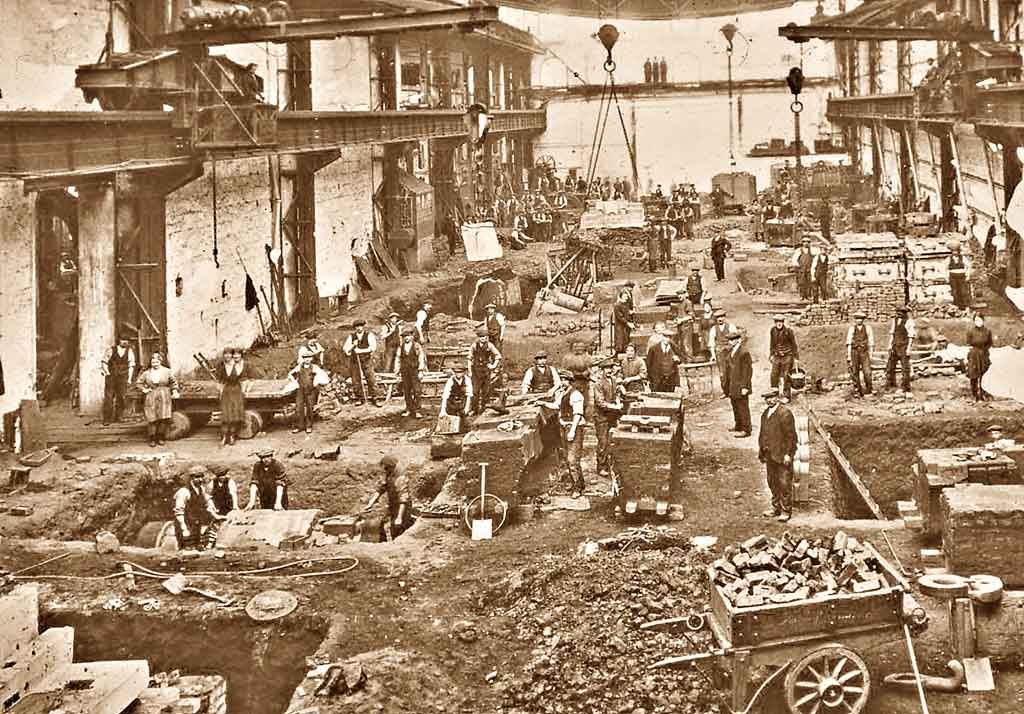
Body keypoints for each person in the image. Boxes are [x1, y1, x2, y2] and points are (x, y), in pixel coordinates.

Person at [758, 388, 797, 522]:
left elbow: (791, 437)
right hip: (770, 454)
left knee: (784, 483)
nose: (769, 400)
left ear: (777, 397)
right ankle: (776, 508)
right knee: (772, 482)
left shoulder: (785, 414)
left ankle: (786, 510)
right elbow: (763, 434)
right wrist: (762, 451)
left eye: (772, 397)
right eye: (767, 398)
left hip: (782, 455)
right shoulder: (765, 414)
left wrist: (788, 454)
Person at [172, 466, 224, 550]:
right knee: (187, 549)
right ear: (191, 478)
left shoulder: (201, 489)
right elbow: (179, 512)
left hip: (196, 525)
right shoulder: (184, 492)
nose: (200, 480)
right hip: (186, 524)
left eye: (201, 477)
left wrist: (216, 516)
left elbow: (207, 504)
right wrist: (184, 528)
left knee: (198, 548)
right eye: (197, 477)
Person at [364, 455, 414, 539]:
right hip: (393, 505)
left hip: (403, 509)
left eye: (386, 468)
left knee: (400, 530)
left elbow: (403, 500)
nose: (385, 470)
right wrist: (370, 503)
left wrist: (399, 517)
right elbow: (381, 489)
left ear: (391, 467)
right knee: (393, 529)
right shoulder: (389, 474)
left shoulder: (400, 478)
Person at [591, 357, 623, 477]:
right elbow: (600, 403)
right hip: (601, 417)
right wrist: (615, 407)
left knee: (613, 440)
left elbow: (616, 394)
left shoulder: (614, 380)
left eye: (610, 368)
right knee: (603, 442)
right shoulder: (598, 384)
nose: (609, 370)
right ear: (601, 370)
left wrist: (618, 401)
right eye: (606, 368)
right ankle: (601, 467)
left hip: (612, 416)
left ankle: (612, 464)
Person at [138, 352, 178, 447]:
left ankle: (161, 437)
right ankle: (152, 438)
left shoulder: (167, 371)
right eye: (153, 362)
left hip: (164, 395)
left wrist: (175, 391)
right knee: (152, 418)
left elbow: (174, 382)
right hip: (151, 396)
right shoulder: (146, 373)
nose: (155, 364)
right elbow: (139, 383)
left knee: (163, 418)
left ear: (160, 362)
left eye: (157, 362)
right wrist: (144, 389)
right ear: (151, 363)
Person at [559, 370, 589, 498]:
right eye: (561, 379)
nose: (562, 382)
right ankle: (578, 483)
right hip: (565, 426)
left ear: (570, 381)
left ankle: (577, 488)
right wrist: (543, 403)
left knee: (572, 460)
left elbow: (577, 414)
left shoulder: (576, 395)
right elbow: (557, 406)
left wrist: (572, 431)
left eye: (565, 380)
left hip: (574, 428)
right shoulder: (562, 393)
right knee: (568, 458)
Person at [343, 320, 381, 407]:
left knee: (371, 379)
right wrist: (353, 345)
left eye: (361, 326)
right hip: (355, 361)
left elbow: (372, 348)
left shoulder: (369, 335)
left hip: (366, 360)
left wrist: (360, 350)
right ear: (355, 328)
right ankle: (360, 398)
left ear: (363, 326)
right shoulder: (351, 336)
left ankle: (375, 398)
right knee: (356, 380)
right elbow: (345, 349)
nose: (359, 328)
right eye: (357, 327)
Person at [288, 352, 328, 433]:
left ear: (312, 358)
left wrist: (317, 382)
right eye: (305, 357)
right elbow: (290, 374)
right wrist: (294, 382)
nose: (307, 359)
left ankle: (309, 426)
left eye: (309, 357)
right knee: (299, 408)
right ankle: (300, 426)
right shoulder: (299, 366)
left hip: (310, 390)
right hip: (300, 390)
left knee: (310, 408)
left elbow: (323, 376)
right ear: (303, 358)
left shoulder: (315, 367)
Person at [101, 336, 136, 425]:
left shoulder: (130, 351)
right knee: (109, 398)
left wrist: (129, 378)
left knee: (121, 397)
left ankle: (118, 417)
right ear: (119, 340)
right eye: (123, 340)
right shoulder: (111, 350)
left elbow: (131, 365)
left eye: (126, 340)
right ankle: (107, 419)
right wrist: (107, 372)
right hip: (111, 376)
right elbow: (104, 362)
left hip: (123, 377)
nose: (124, 342)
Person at [394, 327, 427, 418]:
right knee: (407, 391)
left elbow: (421, 358)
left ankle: (417, 410)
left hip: (414, 371)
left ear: (411, 336)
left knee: (417, 391)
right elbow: (397, 359)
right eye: (404, 336)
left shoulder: (417, 346)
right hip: (405, 371)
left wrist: (421, 371)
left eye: (408, 336)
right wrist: (397, 371)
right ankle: (409, 408)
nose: (406, 338)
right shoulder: (401, 347)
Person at [469, 326, 502, 415]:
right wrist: (469, 371)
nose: (483, 338)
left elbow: (498, 356)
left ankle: (484, 409)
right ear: (478, 338)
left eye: (484, 337)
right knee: (475, 391)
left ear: (486, 337)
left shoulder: (490, 345)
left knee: (485, 391)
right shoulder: (474, 346)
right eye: (481, 337)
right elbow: (469, 358)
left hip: (486, 371)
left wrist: (493, 366)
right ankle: (474, 409)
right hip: (476, 371)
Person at [216, 347, 246, 445]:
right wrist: (220, 392)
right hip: (227, 391)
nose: (227, 356)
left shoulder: (238, 366)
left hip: (236, 391)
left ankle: (232, 436)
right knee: (226, 414)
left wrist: (244, 391)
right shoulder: (221, 367)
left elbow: (244, 379)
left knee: (234, 414)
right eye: (225, 354)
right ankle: (224, 436)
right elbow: (220, 381)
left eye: (229, 354)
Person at [727, 330, 752, 438]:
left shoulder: (744, 352)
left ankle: (746, 429)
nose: (730, 342)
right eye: (729, 340)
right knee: (735, 405)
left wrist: (745, 386)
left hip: (741, 385)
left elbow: (747, 371)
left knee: (743, 407)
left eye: (732, 340)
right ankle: (738, 425)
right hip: (733, 384)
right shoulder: (732, 351)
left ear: (738, 340)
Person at [769, 314, 800, 400]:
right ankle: (775, 393)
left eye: (781, 322)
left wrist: (796, 358)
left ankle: (786, 396)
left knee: (786, 375)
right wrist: (771, 354)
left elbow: (794, 345)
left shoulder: (788, 331)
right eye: (777, 322)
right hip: (777, 355)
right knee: (774, 374)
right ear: (775, 323)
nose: (779, 324)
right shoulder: (773, 331)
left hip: (787, 355)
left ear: (783, 322)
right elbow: (772, 344)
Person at [885, 306, 916, 393]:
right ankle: (891, 384)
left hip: (903, 347)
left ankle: (905, 387)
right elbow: (892, 333)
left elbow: (911, 336)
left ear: (905, 313)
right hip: (895, 346)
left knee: (905, 368)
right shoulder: (894, 321)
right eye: (897, 312)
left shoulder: (909, 321)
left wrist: (909, 348)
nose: (898, 314)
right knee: (890, 366)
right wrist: (889, 345)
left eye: (901, 312)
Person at [707, 309, 736, 398]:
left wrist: (732, 347)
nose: (720, 319)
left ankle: (732, 391)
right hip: (719, 353)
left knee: (732, 371)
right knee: (722, 374)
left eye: (721, 317)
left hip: (729, 352)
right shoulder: (713, 329)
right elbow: (711, 343)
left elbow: (736, 339)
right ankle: (725, 391)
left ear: (724, 317)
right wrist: (713, 355)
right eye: (718, 317)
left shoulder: (730, 326)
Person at [966, 312, 994, 402]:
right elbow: (968, 343)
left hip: (984, 354)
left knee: (983, 374)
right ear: (974, 321)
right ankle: (975, 394)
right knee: (973, 374)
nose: (978, 322)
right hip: (974, 354)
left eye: (980, 320)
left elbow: (990, 343)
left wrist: (985, 350)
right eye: (976, 320)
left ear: (983, 320)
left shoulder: (987, 331)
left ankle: (982, 393)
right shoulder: (970, 331)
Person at [846, 311, 874, 397]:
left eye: (861, 319)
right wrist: (849, 355)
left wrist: (871, 354)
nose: (859, 320)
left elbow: (871, 341)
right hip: (854, 352)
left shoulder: (868, 328)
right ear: (855, 320)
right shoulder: (851, 329)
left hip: (864, 352)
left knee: (867, 372)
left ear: (863, 320)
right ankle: (858, 390)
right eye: (857, 318)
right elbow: (849, 342)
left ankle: (869, 389)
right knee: (855, 371)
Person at [647, 326, 681, 393]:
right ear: (662, 337)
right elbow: (648, 364)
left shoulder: (674, 347)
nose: (667, 339)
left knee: (670, 399)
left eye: (669, 337)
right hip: (657, 380)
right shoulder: (653, 349)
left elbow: (682, 358)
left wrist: (678, 359)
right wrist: (650, 379)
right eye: (665, 337)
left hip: (670, 380)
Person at [613, 291, 636, 355]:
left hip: (625, 324)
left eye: (626, 296)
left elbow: (626, 311)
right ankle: (619, 353)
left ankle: (626, 351)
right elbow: (620, 317)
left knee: (626, 338)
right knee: (620, 339)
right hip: (620, 325)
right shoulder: (617, 305)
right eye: (624, 296)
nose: (626, 298)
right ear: (621, 297)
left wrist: (630, 312)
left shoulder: (626, 304)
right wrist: (628, 323)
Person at [948, 243, 970, 309]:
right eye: (954, 251)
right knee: (955, 291)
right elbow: (945, 268)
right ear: (952, 252)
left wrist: (968, 275)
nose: (955, 253)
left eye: (956, 251)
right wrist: (946, 276)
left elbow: (969, 266)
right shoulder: (949, 259)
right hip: (953, 277)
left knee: (963, 291)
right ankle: (956, 305)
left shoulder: (963, 258)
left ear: (959, 251)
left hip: (961, 276)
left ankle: (963, 306)